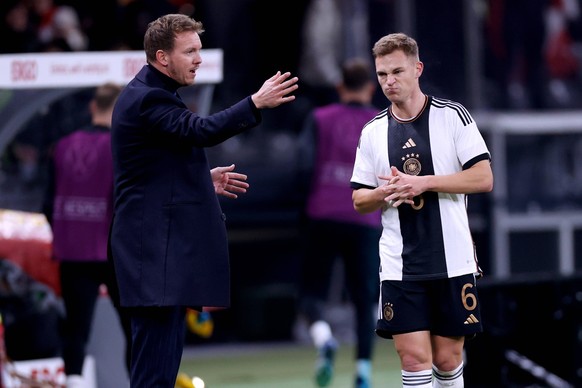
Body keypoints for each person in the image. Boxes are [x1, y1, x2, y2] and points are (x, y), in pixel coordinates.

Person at [108, 13, 298, 387]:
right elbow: (200, 130)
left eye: (200, 49)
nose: (199, 59)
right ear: (162, 58)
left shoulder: (150, 93)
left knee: (159, 369)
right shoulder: (149, 99)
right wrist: (255, 103)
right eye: (190, 51)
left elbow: (151, 170)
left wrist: (198, 179)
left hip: (155, 256)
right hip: (154, 255)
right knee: (154, 374)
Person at [350, 33, 493, 388]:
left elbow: (483, 177)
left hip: (453, 260)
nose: (389, 81)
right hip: (400, 265)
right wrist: (387, 191)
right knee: (414, 359)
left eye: (397, 72)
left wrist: (423, 183)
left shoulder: (453, 116)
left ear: (418, 69)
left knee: (448, 359)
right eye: (382, 75)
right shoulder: (372, 131)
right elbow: (358, 199)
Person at [297, 57, 381, 388]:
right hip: (365, 219)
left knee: (310, 294)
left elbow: (303, 167)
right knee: (365, 300)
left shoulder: (319, 118)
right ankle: (363, 371)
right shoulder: (381, 122)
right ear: (371, 88)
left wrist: (304, 209)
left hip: (322, 215)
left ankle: (323, 339)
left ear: (339, 86)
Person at [43, 82, 132, 388]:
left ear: (93, 107)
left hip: (73, 250)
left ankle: (74, 381)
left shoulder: (63, 146)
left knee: (76, 330)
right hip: (114, 251)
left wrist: (65, 233)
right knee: (133, 327)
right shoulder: (122, 146)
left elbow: (47, 201)